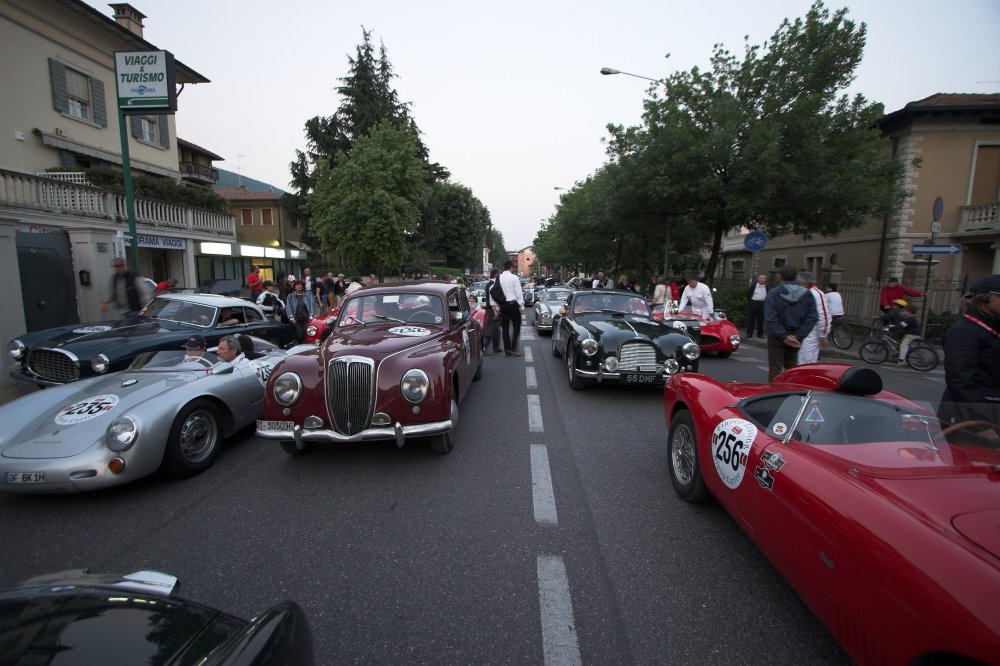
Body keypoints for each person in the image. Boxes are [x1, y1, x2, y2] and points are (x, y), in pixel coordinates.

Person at [939, 274, 1000, 425]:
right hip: (970, 416)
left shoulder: (992, 327)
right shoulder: (964, 331)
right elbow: (961, 381)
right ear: (985, 298)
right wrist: (981, 421)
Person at [764, 265, 818, 382]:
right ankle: (791, 391)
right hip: (796, 335)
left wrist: (783, 335)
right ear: (796, 277)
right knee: (792, 367)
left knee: (775, 368)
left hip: (776, 335)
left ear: (780, 277)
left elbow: (770, 318)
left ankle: (773, 393)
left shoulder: (774, 293)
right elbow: (813, 316)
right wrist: (799, 336)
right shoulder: (807, 294)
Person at [797, 271, 831, 364]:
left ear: (805, 283)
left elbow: (823, 315)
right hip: (800, 334)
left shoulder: (816, 294)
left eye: (799, 281)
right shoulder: (802, 292)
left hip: (811, 336)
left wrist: (823, 335)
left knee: (806, 363)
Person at [498, 259, 525, 356]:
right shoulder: (514, 277)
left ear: (503, 267)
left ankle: (507, 349)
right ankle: (513, 348)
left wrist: (497, 308)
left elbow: (494, 292)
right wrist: (521, 306)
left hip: (503, 305)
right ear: (511, 267)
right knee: (517, 324)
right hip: (512, 304)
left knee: (505, 328)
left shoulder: (499, 278)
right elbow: (518, 293)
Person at [285, 280, 315, 344]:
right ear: (294, 286)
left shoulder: (307, 295)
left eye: (301, 285)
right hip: (296, 319)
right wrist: (291, 318)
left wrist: (311, 315)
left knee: (307, 334)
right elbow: (288, 307)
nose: (299, 286)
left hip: (306, 318)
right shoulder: (290, 296)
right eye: (297, 285)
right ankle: (298, 345)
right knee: (300, 336)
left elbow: (311, 305)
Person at [482, 268, 503, 355]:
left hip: (492, 309)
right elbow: (491, 300)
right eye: (499, 274)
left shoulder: (490, 283)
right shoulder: (493, 284)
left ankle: (496, 347)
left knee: (496, 330)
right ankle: (483, 348)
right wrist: (495, 311)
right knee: (490, 330)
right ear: (496, 275)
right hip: (492, 309)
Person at [746, 274, 768, 338]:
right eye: (763, 278)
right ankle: (749, 333)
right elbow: (749, 294)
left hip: (762, 304)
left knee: (761, 319)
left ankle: (760, 334)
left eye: (765, 278)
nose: (764, 280)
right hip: (754, 303)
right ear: (758, 279)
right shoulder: (753, 286)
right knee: (751, 319)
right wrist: (750, 302)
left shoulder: (766, 286)